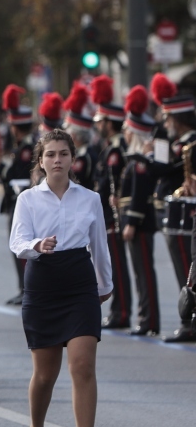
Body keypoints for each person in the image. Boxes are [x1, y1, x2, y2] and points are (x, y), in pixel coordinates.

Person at [9, 129, 113, 427]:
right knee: (45, 373)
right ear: (40, 160)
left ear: (72, 159)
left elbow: (99, 245)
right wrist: (37, 246)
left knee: (83, 365)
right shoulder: (28, 199)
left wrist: (104, 284)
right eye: (50, 154)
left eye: (63, 154)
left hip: (79, 282)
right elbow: (17, 240)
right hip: (43, 283)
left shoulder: (90, 199)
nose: (57, 160)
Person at [149, 74, 196, 342]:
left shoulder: (189, 144)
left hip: (186, 214)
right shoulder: (179, 144)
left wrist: (157, 144)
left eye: (168, 119)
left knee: (187, 271)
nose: (165, 124)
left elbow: (162, 167)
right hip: (174, 212)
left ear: (177, 119)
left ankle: (189, 322)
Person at [90, 77, 133, 330]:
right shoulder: (109, 147)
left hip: (112, 214)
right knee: (112, 265)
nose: (99, 127)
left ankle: (122, 312)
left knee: (117, 265)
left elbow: (112, 183)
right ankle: (119, 310)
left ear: (109, 122)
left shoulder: (116, 149)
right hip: (106, 214)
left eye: (102, 122)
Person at [119, 87, 161, 337]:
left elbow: (139, 195)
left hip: (140, 224)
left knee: (144, 272)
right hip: (135, 223)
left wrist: (131, 222)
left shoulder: (141, 162)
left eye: (127, 129)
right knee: (140, 272)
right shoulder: (135, 160)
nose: (124, 133)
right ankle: (146, 317)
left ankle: (149, 319)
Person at [0, 85, 37, 304]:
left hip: (22, 203)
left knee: (22, 247)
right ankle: (23, 287)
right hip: (17, 202)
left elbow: (17, 176)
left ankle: (27, 288)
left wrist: (2, 169)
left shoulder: (26, 148)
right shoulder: (21, 146)